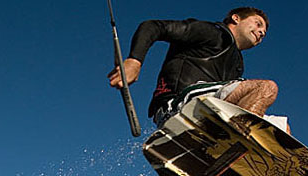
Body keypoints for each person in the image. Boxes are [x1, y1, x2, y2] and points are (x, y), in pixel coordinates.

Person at [108, 7, 289, 132]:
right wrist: (134, 61)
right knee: (266, 88)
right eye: (257, 24)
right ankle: (239, 149)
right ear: (236, 18)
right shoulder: (212, 32)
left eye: (264, 32)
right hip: (179, 105)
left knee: (281, 128)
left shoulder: (237, 64)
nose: (261, 32)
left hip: (210, 111)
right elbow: (153, 26)